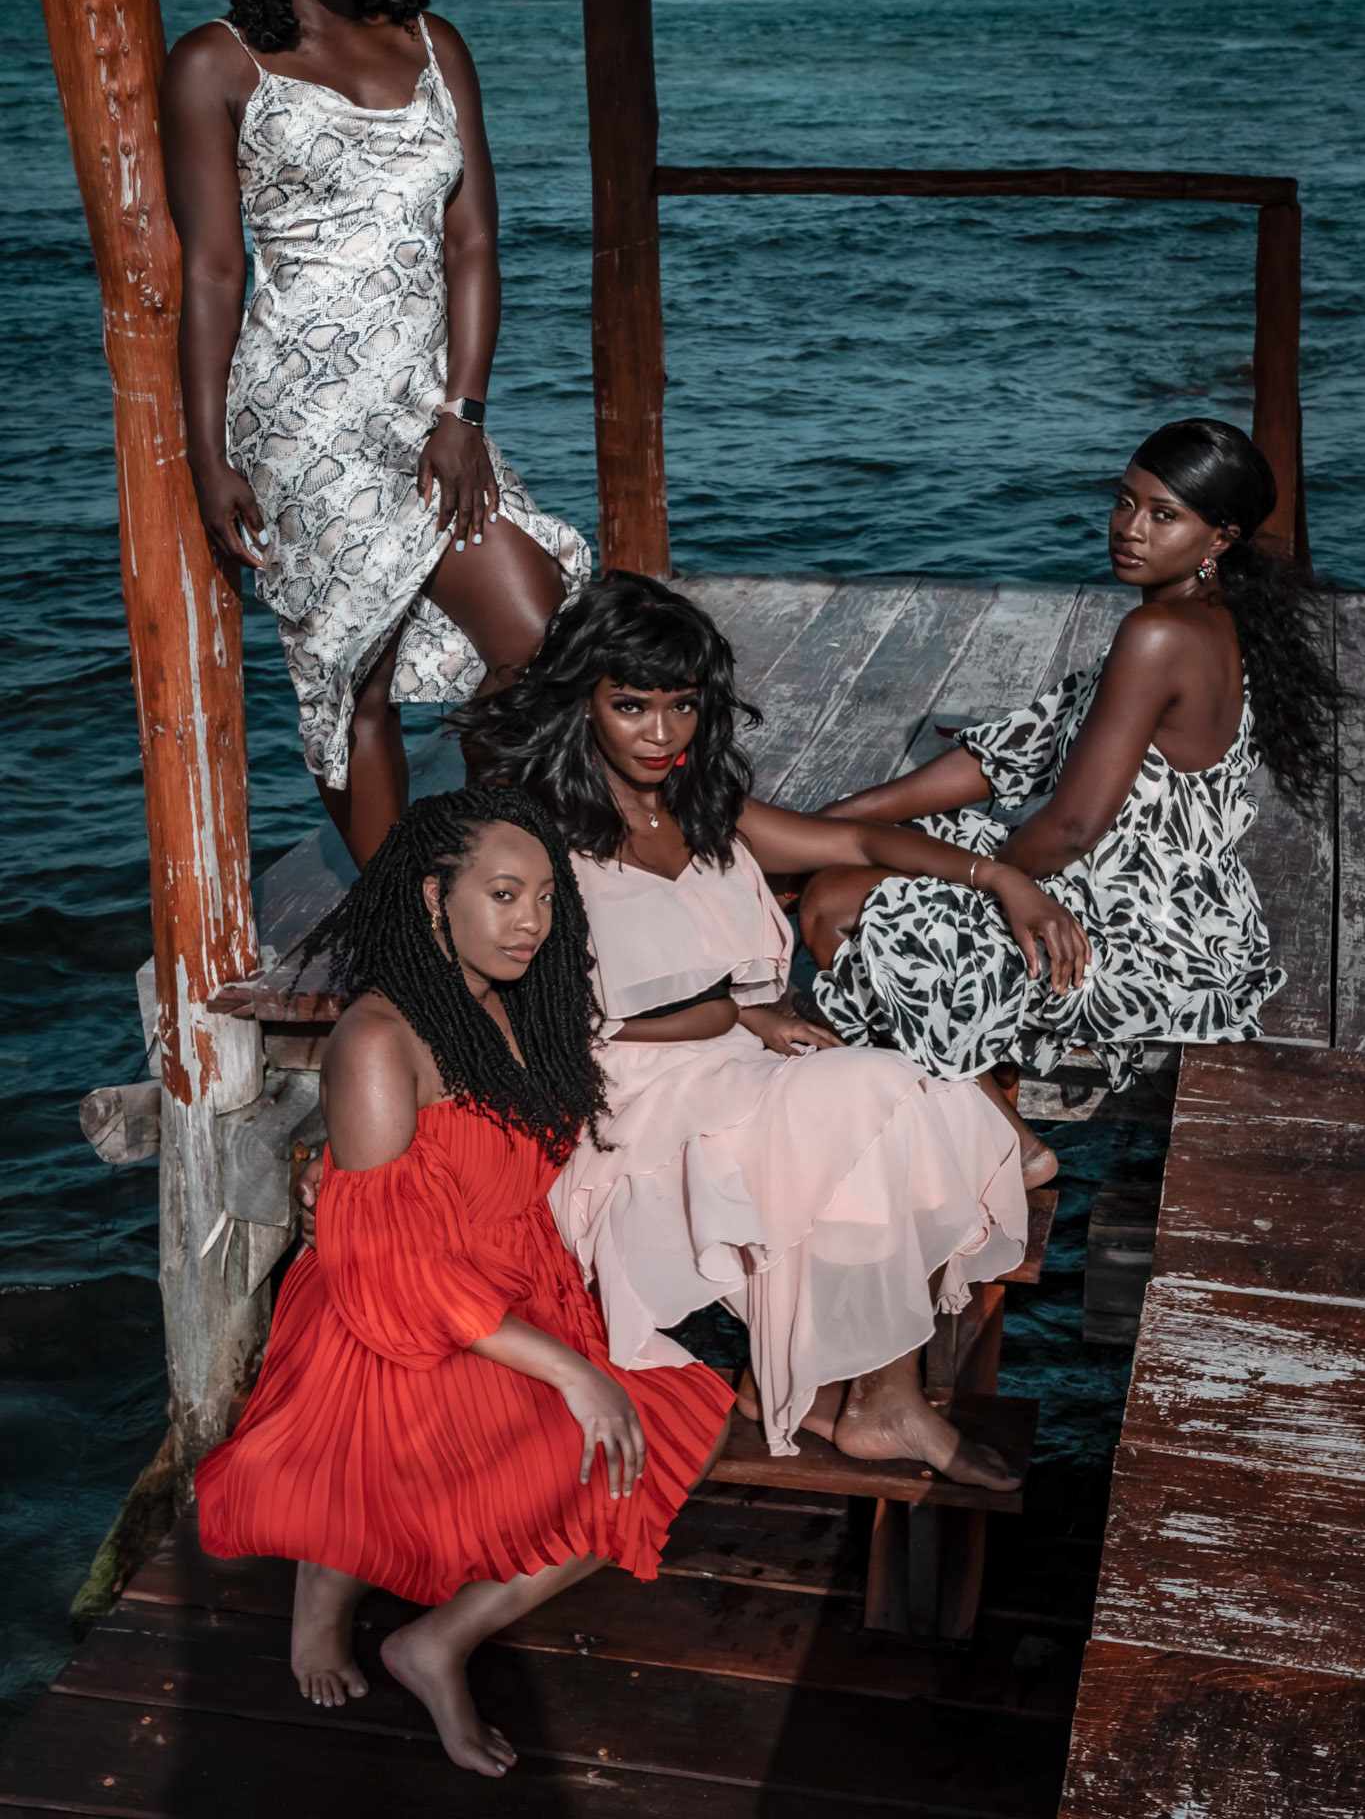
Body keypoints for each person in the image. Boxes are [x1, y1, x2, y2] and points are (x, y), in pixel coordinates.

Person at [457, 575, 1080, 1482]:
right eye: (630, 706)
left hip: (738, 1073)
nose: (661, 734)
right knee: (886, 1092)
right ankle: (874, 1399)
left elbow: (857, 843)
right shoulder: (534, 832)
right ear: (581, 700)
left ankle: (850, 1390)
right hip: (631, 1107)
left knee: (906, 1098)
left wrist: (1000, 879)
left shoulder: (701, 809)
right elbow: (532, 1008)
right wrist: (737, 1010)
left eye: (682, 705)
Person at [195, 787, 733, 1777]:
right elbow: (387, 1265)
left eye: (545, 897)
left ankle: (437, 1637)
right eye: (504, 894)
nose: (532, 921)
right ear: (433, 896)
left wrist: (760, 1019)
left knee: (673, 1424)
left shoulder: (513, 997)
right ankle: (323, 1596)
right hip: (397, 1316)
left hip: (514, 1289)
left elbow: (601, 1060)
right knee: (585, 1438)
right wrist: (573, 1372)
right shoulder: (380, 1038)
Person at [163, 0, 587, 865]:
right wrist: (208, 456)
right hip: (302, 419)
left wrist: (464, 411)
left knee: (537, 632)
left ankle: (486, 876)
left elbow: (473, 243)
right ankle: (402, 919)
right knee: (356, 679)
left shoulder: (433, 45)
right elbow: (213, 272)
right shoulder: (216, 63)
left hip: (426, 407)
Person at [806, 419, 1342, 1089]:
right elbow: (1009, 755)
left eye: (1163, 515)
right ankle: (983, 1084)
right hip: (1187, 915)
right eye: (1125, 502)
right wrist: (830, 824)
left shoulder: (1157, 633)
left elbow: (1071, 828)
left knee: (835, 901)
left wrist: (981, 882)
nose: (1130, 529)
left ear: (1219, 538)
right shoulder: (1207, 615)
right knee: (868, 852)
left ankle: (981, 1125)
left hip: (1143, 933)